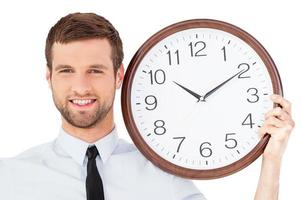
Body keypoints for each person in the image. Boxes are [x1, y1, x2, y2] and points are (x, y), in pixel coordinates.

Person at [0, 12, 295, 200]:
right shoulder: (9, 179)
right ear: (49, 77)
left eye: (95, 70)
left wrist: (272, 161)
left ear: (119, 76)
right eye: (66, 71)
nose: (80, 86)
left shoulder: (164, 177)